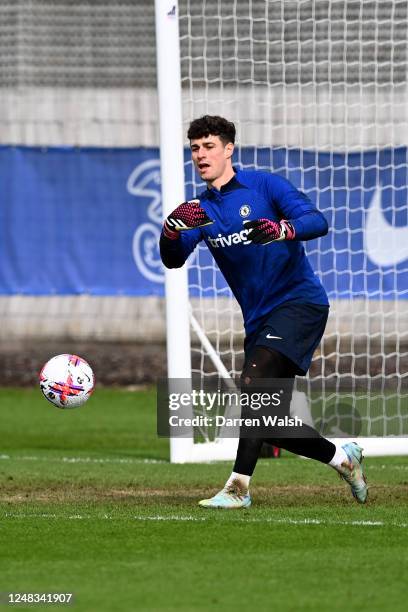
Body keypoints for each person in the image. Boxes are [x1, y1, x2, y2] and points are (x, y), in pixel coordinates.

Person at [160, 115, 367, 508]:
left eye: (208, 146)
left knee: (252, 385)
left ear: (228, 149)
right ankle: (344, 459)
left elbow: (317, 221)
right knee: (266, 421)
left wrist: (281, 229)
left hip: (299, 302)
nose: (200, 155)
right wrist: (170, 231)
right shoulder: (199, 210)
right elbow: (172, 260)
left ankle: (238, 489)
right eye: (194, 149)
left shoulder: (264, 185)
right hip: (259, 320)